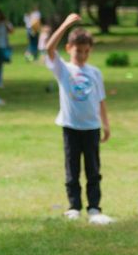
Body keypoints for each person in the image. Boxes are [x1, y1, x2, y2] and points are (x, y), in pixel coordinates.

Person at [46, 13, 113, 224]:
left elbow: (100, 99)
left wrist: (106, 124)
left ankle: (94, 207)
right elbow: (49, 48)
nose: (82, 55)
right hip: (71, 126)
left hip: (92, 127)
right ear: (69, 49)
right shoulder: (63, 69)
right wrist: (65, 24)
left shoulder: (95, 72)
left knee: (93, 170)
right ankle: (74, 206)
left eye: (86, 51)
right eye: (78, 51)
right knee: (72, 169)